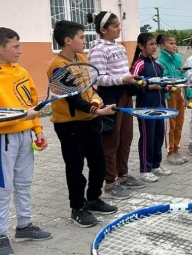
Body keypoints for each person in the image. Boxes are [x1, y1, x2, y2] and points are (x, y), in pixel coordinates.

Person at [0, 28, 52, 255]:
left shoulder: (22, 72)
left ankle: (24, 225)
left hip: (25, 135)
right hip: (2, 139)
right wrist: (22, 117)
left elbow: (32, 106)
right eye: (16, 46)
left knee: (23, 183)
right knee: (2, 187)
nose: (20, 50)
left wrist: (37, 130)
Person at [48, 20, 118, 228]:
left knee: (98, 163)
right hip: (69, 126)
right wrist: (97, 110)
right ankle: (77, 208)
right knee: (75, 167)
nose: (85, 40)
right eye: (81, 37)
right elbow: (73, 98)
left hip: (90, 122)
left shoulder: (80, 58)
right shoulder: (57, 66)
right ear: (68, 40)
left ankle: (93, 199)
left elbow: (89, 88)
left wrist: (96, 99)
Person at [87, 11, 144, 199]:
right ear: (103, 29)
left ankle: (123, 175)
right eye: (115, 26)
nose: (119, 28)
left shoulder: (118, 46)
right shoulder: (98, 49)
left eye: (119, 24)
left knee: (126, 137)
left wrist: (130, 79)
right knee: (111, 141)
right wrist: (122, 78)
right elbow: (97, 78)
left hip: (125, 93)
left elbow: (121, 72)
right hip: (111, 97)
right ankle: (110, 182)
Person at [130, 33, 171, 182]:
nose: (154, 47)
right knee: (147, 138)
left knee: (159, 136)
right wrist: (149, 87)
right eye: (150, 44)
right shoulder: (138, 64)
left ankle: (155, 165)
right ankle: (145, 170)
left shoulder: (158, 64)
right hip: (145, 108)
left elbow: (161, 84)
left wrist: (166, 88)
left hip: (160, 106)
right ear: (141, 46)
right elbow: (133, 84)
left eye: (155, 44)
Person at [156, 34, 192, 165]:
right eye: (171, 43)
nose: (174, 45)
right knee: (170, 125)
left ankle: (177, 149)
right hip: (170, 94)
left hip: (180, 92)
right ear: (162, 46)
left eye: (175, 43)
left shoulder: (178, 58)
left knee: (179, 124)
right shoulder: (160, 62)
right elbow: (166, 79)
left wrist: (190, 95)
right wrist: (178, 74)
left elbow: (185, 78)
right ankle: (170, 152)